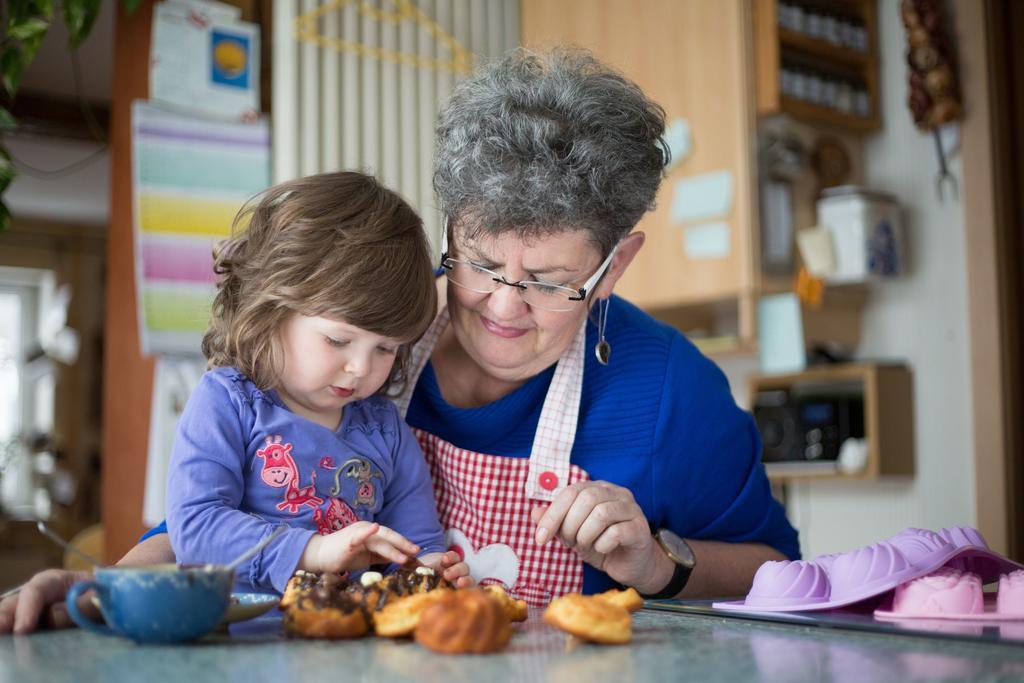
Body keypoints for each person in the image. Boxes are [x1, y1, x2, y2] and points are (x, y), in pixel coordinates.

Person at [1, 48, 798, 632]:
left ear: (616, 263)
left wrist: (663, 564)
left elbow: (782, 574)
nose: (501, 306)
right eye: (479, 261)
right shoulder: (380, 330)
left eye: (551, 280)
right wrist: (94, 592)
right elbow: (231, 507)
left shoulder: (671, 393)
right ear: (448, 222)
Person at [166, 171, 471, 594]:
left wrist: (432, 569)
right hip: (240, 644)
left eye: (386, 349)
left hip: (351, 643)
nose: (361, 368)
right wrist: (314, 550)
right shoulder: (228, 402)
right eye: (338, 340)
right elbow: (196, 533)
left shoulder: (386, 431)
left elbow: (415, 547)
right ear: (272, 308)